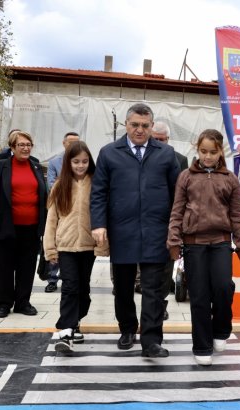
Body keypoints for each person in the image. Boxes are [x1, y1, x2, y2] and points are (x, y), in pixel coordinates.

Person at [91, 103, 180, 358]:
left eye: (145, 125)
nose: (140, 130)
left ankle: (151, 340)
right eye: (135, 125)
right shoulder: (108, 153)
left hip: (156, 231)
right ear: (126, 125)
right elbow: (98, 192)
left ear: (152, 127)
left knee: (154, 288)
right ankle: (127, 328)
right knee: (123, 285)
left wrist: (176, 228)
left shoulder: (166, 154)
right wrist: (98, 223)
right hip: (122, 231)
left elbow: (177, 194)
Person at [167, 129, 240, 365]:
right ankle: (202, 345)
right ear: (197, 150)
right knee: (199, 296)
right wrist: (174, 240)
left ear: (220, 151)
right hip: (194, 244)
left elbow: (237, 214)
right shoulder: (186, 177)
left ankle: (221, 330)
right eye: (203, 151)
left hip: (221, 242)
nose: (208, 157)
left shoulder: (230, 179)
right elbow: (177, 211)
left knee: (223, 288)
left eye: (213, 152)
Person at [44, 140, 108, 353]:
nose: (80, 165)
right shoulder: (60, 186)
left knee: (83, 289)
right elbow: (51, 220)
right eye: (75, 162)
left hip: (88, 246)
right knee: (70, 286)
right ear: (67, 163)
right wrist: (50, 248)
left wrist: (103, 244)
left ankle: (76, 321)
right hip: (66, 246)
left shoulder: (97, 183)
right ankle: (65, 330)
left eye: (84, 161)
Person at [0, 131, 47, 318]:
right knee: (4, 267)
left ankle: (23, 302)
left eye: (29, 144)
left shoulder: (37, 167)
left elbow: (43, 197)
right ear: (12, 147)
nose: (26, 148)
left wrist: (44, 226)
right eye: (21, 145)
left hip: (31, 227)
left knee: (27, 267)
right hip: (6, 226)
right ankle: (3, 303)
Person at [151, 120, 188, 318]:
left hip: (169, 222)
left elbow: (182, 194)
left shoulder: (180, 160)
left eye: (162, 140)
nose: (159, 143)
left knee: (166, 268)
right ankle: (150, 305)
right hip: (146, 221)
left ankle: (161, 304)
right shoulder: (143, 157)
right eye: (155, 139)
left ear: (168, 139)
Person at [43, 131, 80, 293]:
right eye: (70, 142)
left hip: (78, 212)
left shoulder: (83, 161)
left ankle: (70, 278)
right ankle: (52, 279)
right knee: (56, 243)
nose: (73, 145)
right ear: (64, 143)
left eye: (76, 142)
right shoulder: (55, 162)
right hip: (60, 208)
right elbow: (51, 186)